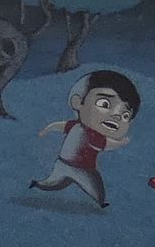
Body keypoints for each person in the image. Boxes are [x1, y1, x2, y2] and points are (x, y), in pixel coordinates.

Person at [29, 68, 140, 209]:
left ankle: (100, 201)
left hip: (80, 168)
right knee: (58, 182)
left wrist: (119, 143)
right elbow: (62, 126)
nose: (117, 116)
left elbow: (106, 143)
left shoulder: (94, 135)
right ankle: (40, 184)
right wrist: (48, 128)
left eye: (125, 115)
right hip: (68, 165)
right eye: (104, 104)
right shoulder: (78, 127)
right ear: (78, 102)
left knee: (91, 185)